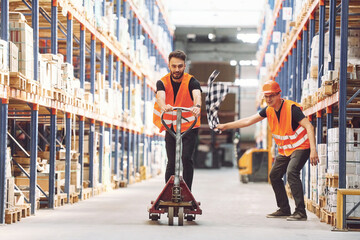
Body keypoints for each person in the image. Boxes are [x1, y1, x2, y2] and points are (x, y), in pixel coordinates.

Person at [216, 80, 319, 221]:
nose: (268, 99)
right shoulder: (268, 110)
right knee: (274, 175)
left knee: (292, 172)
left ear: (279, 95)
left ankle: (300, 212)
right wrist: (225, 126)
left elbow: (309, 126)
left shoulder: (292, 109)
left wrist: (313, 150)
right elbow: (248, 121)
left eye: (271, 96)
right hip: (286, 150)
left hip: (301, 147)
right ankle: (284, 209)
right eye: (266, 96)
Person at [153, 50, 202, 191]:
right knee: (172, 162)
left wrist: (197, 106)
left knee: (186, 159)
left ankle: (187, 192)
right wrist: (164, 106)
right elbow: (160, 97)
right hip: (171, 127)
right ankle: (169, 192)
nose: (177, 69)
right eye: (174, 66)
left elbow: (197, 95)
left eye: (180, 66)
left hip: (189, 126)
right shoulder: (162, 82)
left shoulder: (192, 81)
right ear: (169, 65)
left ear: (184, 66)